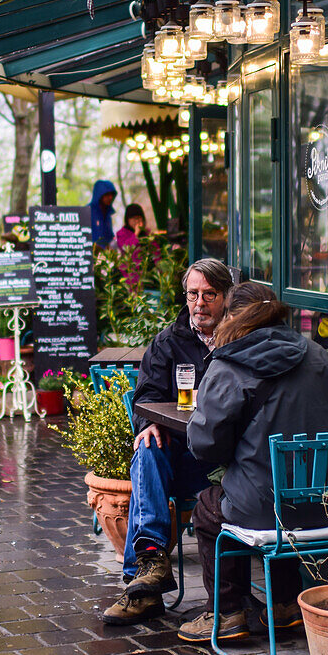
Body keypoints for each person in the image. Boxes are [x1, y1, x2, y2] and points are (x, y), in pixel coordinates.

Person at [179, 281, 328, 643]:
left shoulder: (228, 364)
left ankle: (227, 614)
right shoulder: (317, 354)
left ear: (231, 317)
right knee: (279, 489)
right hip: (325, 503)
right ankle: (285, 605)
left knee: (209, 508)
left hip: (264, 508)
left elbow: (203, 444)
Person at [102, 257, 233, 626]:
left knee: (148, 461)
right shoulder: (169, 342)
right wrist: (147, 423)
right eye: (193, 294)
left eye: (209, 294)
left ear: (225, 297)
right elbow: (145, 396)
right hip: (182, 458)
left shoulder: (239, 340)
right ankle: (152, 560)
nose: (200, 303)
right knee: (147, 449)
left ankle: (140, 590)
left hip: (224, 460)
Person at [88, 180, 117, 248]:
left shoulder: (107, 214)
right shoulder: (88, 212)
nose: (110, 197)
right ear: (99, 195)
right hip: (90, 254)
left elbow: (109, 237)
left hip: (105, 255)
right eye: (107, 195)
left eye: (112, 195)